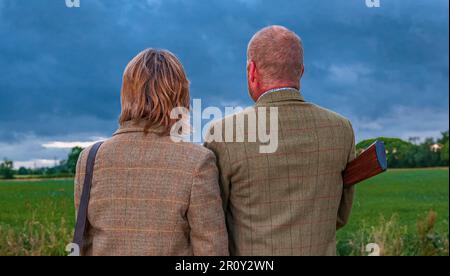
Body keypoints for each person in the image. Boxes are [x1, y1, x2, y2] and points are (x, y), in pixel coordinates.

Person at [205, 26, 356, 256]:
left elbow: (214, 224)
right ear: (301, 71)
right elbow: (340, 215)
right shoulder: (341, 129)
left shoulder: (223, 134)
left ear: (252, 70)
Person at [74, 49, 228, 256]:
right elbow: (211, 250)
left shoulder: (90, 158)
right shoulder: (197, 161)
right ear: (180, 97)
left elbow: (85, 244)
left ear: (126, 94)